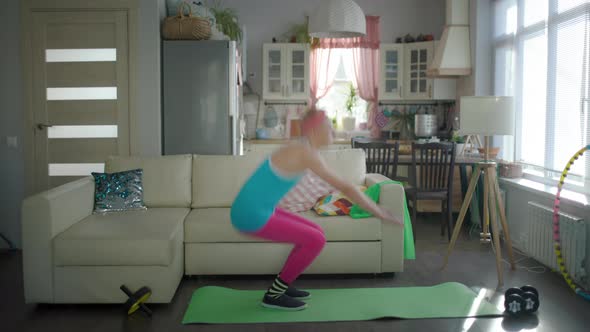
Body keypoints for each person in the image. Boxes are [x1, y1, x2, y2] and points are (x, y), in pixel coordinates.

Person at [230, 109, 403, 311]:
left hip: (259, 208)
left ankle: (281, 286)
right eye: (329, 128)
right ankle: (274, 295)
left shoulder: (305, 149)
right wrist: (379, 211)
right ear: (314, 131)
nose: (333, 133)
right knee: (316, 240)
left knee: (317, 233)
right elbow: (346, 187)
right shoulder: (305, 152)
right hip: (250, 214)